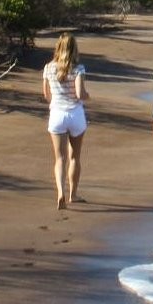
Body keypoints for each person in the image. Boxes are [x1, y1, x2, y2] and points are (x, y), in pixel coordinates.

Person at [42, 31, 89, 209]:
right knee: (75, 157)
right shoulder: (78, 69)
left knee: (60, 158)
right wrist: (88, 96)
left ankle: (61, 191)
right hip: (75, 114)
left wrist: (56, 101)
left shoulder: (48, 68)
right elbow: (80, 94)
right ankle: (73, 194)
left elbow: (46, 94)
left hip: (57, 114)